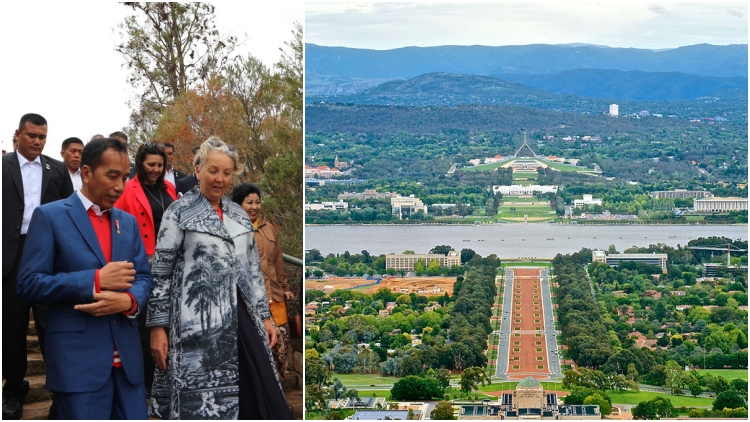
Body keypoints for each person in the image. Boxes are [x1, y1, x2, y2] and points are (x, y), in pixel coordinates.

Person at [147, 136, 291, 419]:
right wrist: (157, 327)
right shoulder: (179, 212)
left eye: (227, 173)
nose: (220, 179)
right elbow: (160, 273)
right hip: (193, 324)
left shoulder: (238, 215)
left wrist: (265, 317)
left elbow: (252, 271)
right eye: (213, 171)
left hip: (242, 319)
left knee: (257, 395)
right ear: (198, 170)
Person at [16, 137, 153, 419]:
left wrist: (127, 300)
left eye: (125, 177)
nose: (119, 186)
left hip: (128, 366)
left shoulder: (126, 222)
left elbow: (144, 279)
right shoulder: (50, 216)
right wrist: (94, 281)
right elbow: (28, 284)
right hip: (78, 366)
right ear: (87, 173)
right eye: (112, 176)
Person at [2, 113, 73, 419]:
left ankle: (61, 392)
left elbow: (71, 211)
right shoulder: (2, 169)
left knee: (51, 326)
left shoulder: (56, 170)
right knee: (13, 327)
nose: (37, 141)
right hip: (11, 256)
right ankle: (14, 390)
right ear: (17, 134)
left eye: (42, 137)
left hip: (47, 256)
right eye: (32, 135)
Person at [113, 141, 176, 393]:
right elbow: (117, 225)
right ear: (140, 163)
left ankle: (167, 378)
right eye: (151, 164)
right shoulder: (129, 189)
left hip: (171, 260)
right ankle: (146, 382)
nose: (156, 169)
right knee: (145, 323)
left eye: (160, 165)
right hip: (142, 260)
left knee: (169, 321)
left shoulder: (170, 188)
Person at [231, 183, 294, 380]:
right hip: (249, 300)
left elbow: (278, 262)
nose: (254, 207)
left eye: (257, 202)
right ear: (238, 204)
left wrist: (285, 288)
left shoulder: (269, 229)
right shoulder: (233, 230)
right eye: (249, 202)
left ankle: (278, 390)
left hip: (275, 296)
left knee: (282, 345)